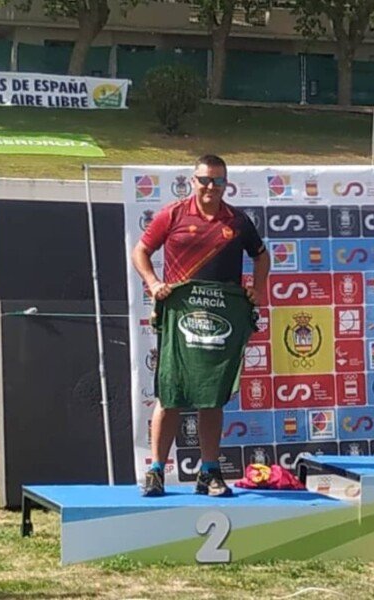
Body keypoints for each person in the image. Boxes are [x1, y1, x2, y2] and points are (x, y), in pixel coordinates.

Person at [132, 154, 270, 497]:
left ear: (226, 184)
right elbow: (140, 251)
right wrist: (152, 283)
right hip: (179, 320)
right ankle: (155, 472)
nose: (210, 187)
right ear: (192, 181)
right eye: (204, 180)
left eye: (217, 181)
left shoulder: (238, 222)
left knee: (212, 398)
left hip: (221, 322)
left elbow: (262, 256)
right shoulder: (173, 214)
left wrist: (259, 289)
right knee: (171, 394)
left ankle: (209, 473)